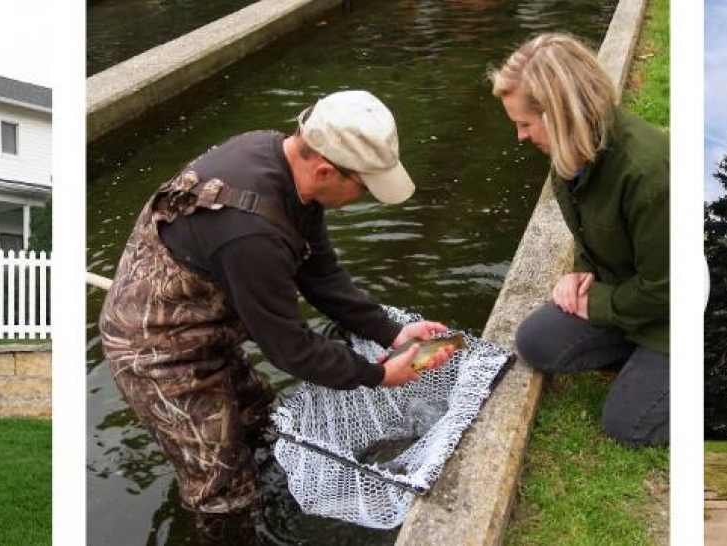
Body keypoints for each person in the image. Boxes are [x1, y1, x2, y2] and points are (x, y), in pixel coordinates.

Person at [97, 90, 456, 517]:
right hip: (159, 355)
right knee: (225, 494)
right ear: (325, 170)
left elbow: (319, 272)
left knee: (263, 428)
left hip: (209, 330)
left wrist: (389, 330)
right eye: (364, 187)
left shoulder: (281, 163)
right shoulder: (252, 234)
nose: (364, 198)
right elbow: (291, 348)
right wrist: (377, 375)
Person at [490, 33, 669, 447]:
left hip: (673, 316)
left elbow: (668, 289)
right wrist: (580, 275)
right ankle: (642, 362)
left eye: (524, 124)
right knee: (535, 341)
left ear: (558, 114)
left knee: (628, 426)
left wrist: (598, 302)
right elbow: (593, 236)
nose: (519, 136)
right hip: (628, 299)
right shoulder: (570, 155)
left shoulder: (649, 174)